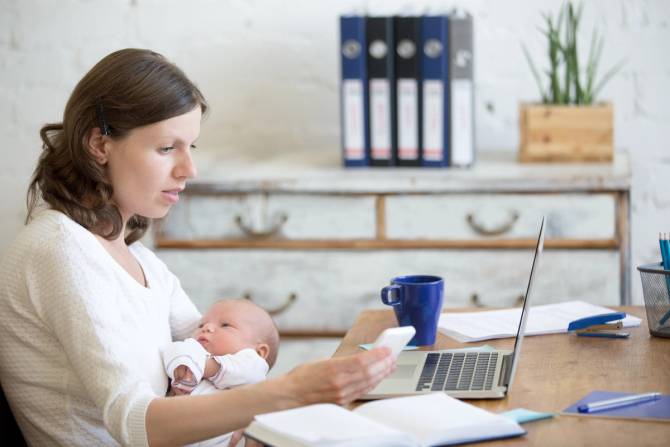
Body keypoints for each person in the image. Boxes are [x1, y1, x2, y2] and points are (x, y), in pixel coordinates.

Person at [0, 48, 395, 447]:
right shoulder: (58, 250)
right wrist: (292, 391)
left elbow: (224, 361)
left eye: (191, 147)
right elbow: (137, 423)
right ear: (99, 145)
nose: (189, 170)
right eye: (167, 148)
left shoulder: (143, 264)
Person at [163, 299, 280, 446]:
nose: (207, 328)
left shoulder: (252, 364)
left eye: (225, 325)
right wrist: (182, 365)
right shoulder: (192, 351)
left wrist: (205, 366)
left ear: (259, 352)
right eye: (201, 325)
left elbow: (250, 372)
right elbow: (174, 351)